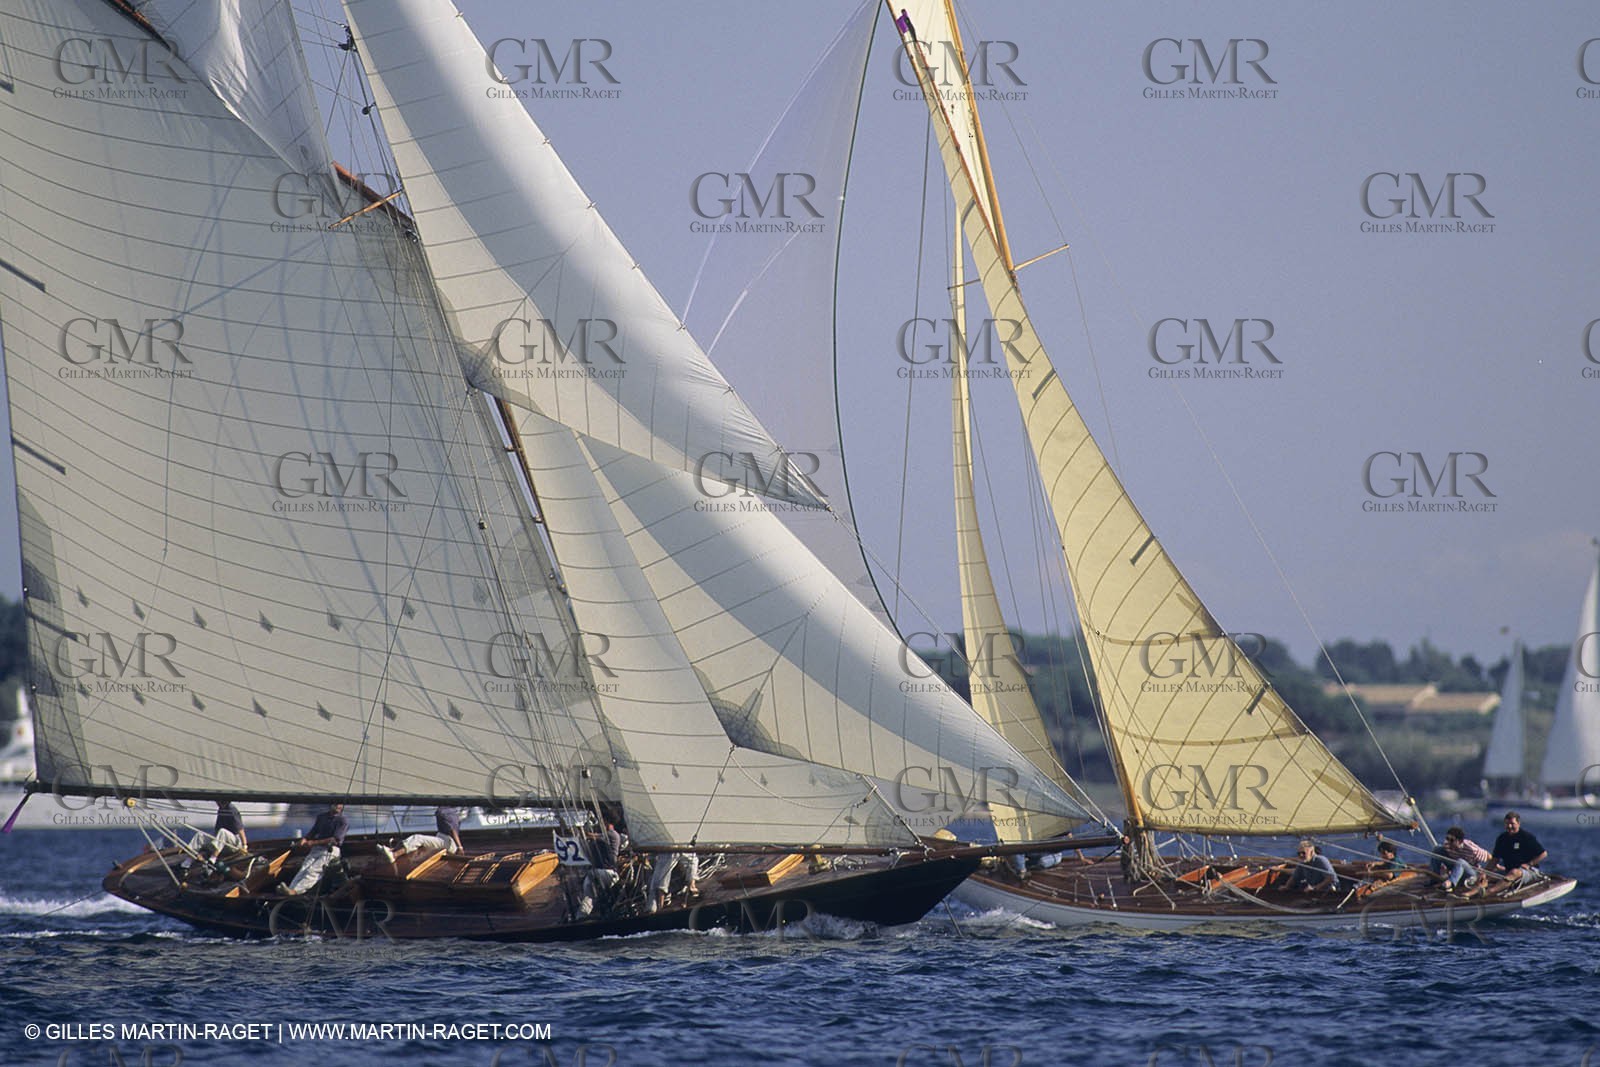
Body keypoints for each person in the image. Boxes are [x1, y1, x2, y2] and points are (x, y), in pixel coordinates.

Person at [278, 802, 348, 895]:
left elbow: (335, 840)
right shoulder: (321, 817)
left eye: (340, 804)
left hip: (330, 850)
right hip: (317, 849)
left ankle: (296, 891)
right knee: (304, 868)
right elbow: (313, 832)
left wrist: (313, 842)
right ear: (330, 805)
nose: (338, 806)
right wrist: (305, 839)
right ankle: (289, 889)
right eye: (336, 804)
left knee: (313, 870)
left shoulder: (342, 821)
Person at [379, 806, 463, 865]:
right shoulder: (451, 810)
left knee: (418, 838)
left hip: (448, 842)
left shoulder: (445, 811)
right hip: (444, 839)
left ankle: (394, 855)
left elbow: (452, 830)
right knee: (416, 841)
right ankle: (392, 850)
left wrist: (459, 847)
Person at [1488, 811, 1547, 889]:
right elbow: (1494, 860)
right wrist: (1485, 873)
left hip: (1527, 872)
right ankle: (1470, 894)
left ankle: (1489, 892)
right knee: (1486, 877)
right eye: (1507, 824)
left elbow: (1543, 854)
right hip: (1508, 871)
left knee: (1514, 872)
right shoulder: (1502, 838)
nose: (1509, 826)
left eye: (1512, 824)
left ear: (1518, 823)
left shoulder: (1526, 837)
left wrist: (1529, 864)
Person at [577, 819, 622, 918]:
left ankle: (582, 915)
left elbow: (593, 836)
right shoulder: (602, 840)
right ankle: (583, 915)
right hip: (601, 872)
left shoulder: (612, 835)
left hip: (605, 872)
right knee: (589, 894)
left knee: (589, 895)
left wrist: (584, 833)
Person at [187, 799, 248, 866]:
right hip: (222, 842)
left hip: (234, 843)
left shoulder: (232, 810)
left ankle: (213, 857)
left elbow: (240, 830)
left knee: (223, 831)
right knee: (200, 835)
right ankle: (189, 859)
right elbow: (217, 830)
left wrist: (244, 846)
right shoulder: (221, 810)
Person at [1430, 825, 1489, 892]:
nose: (1448, 842)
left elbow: (1489, 857)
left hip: (1470, 873)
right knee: (1437, 849)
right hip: (1456, 869)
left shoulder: (1471, 849)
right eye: (1447, 838)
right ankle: (1434, 879)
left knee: (1460, 861)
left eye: (1452, 840)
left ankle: (1451, 884)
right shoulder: (1447, 846)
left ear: (1460, 841)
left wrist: (1486, 873)